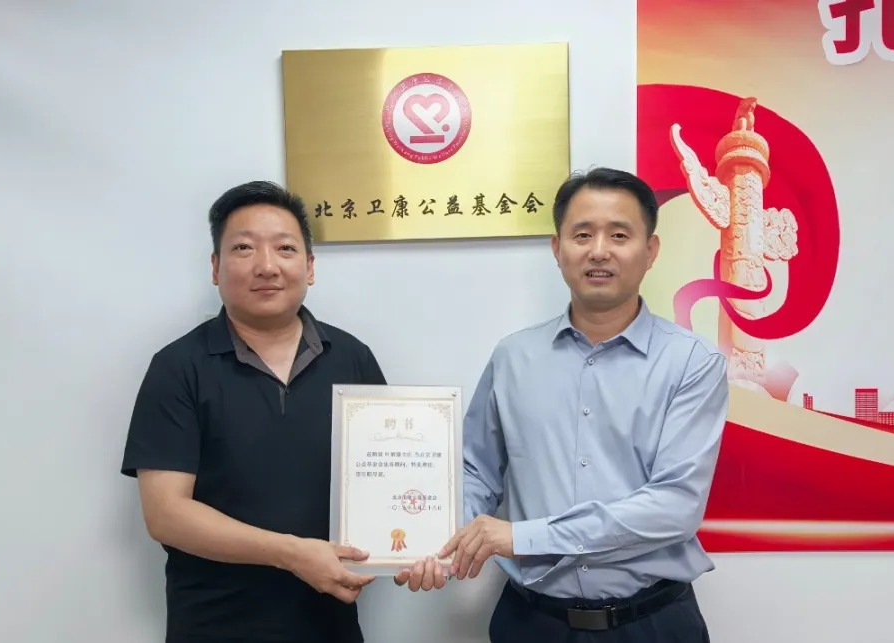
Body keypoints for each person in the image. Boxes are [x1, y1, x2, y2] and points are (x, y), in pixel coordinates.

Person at [396, 167, 729, 642]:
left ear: (651, 251)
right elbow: (476, 473)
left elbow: (674, 506)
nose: (599, 251)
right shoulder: (513, 357)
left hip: (651, 623)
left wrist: (522, 537)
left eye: (619, 235)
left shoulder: (692, 363)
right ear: (557, 249)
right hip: (533, 623)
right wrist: (437, 541)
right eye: (582, 234)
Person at [121, 181, 387, 643]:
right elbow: (165, 513)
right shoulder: (178, 367)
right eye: (244, 248)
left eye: (285, 248)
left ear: (309, 267)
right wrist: (291, 554)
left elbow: (388, 481)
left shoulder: (352, 359)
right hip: (215, 625)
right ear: (215, 267)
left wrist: (412, 547)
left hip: (329, 625)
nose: (266, 265)